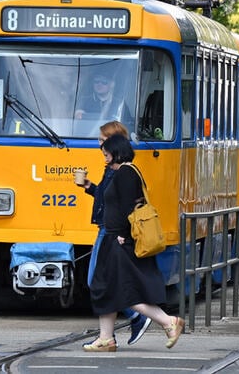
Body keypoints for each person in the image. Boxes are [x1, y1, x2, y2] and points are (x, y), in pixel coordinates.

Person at [84, 134, 183, 352]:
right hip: (113, 238)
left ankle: (169, 322)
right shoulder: (118, 173)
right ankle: (106, 338)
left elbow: (129, 207)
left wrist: (123, 235)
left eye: (107, 154)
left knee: (124, 289)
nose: (104, 157)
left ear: (117, 152)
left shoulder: (126, 173)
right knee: (105, 288)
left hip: (121, 241)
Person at [77, 121, 150, 346]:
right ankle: (108, 336)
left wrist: (121, 233)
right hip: (105, 228)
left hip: (110, 231)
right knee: (102, 281)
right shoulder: (111, 168)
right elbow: (107, 198)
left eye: (102, 141)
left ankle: (138, 316)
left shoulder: (121, 170)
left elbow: (124, 204)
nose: (100, 145)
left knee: (97, 280)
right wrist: (90, 187)